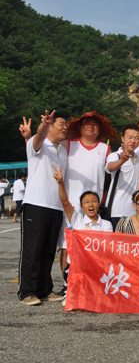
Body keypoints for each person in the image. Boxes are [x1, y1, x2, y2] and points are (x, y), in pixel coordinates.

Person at [18, 110, 68, 306]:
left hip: (55, 206)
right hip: (36, 204)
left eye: (66, 125)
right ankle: (27, 291)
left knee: (48, 251)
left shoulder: (62, 151)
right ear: (50, 127)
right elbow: (39, 136)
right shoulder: (37, 143)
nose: (65, 127)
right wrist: (43, 126)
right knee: (33, 250)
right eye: (61, 124)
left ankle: (44, 289)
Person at [52, 164, 113, 306]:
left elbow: (107, 249)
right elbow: (65, 202)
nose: (90, 205)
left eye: (94, 201)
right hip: (77, 266)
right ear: (81, 206)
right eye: (86, 202)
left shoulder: (106, 225)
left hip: (98, 266)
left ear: (98, 204)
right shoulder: (77, 219)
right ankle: (70, 289)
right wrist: (60, 183)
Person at [105, 124, 139, 229]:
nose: (132, 141)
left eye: (136, 138)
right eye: (129, 137)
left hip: (134, 212)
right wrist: (122, 161)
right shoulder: (115, 155)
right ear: (122, 138)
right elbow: (110, 167)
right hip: (117, 210)